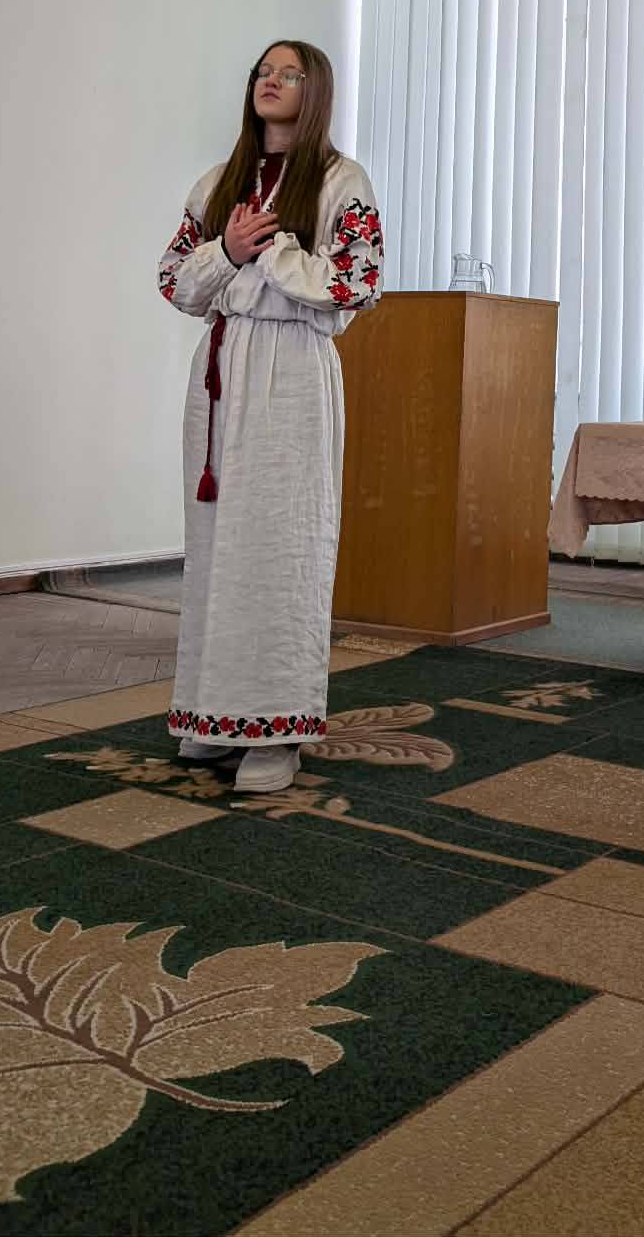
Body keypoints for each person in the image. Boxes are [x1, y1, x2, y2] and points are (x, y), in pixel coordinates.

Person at [157, 40, 383, 793]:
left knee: (281, 547)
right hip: (222, 373)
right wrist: (226, 248)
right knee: (217, 546)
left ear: (315, 92)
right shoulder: (217, 182)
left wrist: (273, 252)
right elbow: (176, 282)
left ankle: (276, 730)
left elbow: (355, 282)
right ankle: (212, 714)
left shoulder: (342, 180)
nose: (272, 82)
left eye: (290, 74)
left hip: (292, 369)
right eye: (264, 71)